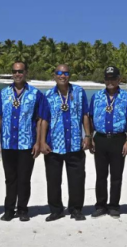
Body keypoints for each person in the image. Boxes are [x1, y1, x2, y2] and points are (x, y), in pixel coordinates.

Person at [0, 61, 48, 222]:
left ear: (26, 73)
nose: (17, 74)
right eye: (15, 71)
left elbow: (39, 120)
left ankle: (23, 210)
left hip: (26, 144)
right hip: (8, 143)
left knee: (24, 179)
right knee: (10, 179)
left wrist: (38, 142)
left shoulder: (36, 94)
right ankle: (9, 210)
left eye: (20, 71)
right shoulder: (3, 93)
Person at [39, 64, 90, 221]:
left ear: (69, 75)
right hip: (53, 145)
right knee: (53, 181)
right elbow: (43, 120)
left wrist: (88, 135)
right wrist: (41, 141)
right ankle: (56, 210)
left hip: (75, 144)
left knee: (77, 180)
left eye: (66, 73)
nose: (62, 76)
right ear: (54, 75)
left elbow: (85, 115)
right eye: (59, 73)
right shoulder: (47, 95)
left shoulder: (79, 92)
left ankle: (76, 209)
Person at [87, 66, 127, 219]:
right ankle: (100, 206)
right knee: (101, 175)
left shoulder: (126, 97)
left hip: (118, 139)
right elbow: (91, 118)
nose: (110, 81)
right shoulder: (97, 96)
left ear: (119, 79)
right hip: (100, 139)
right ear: (104, 80)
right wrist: (90, 137)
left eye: (113, 78)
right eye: (107, 78)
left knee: (116, 175)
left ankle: (114, 206)